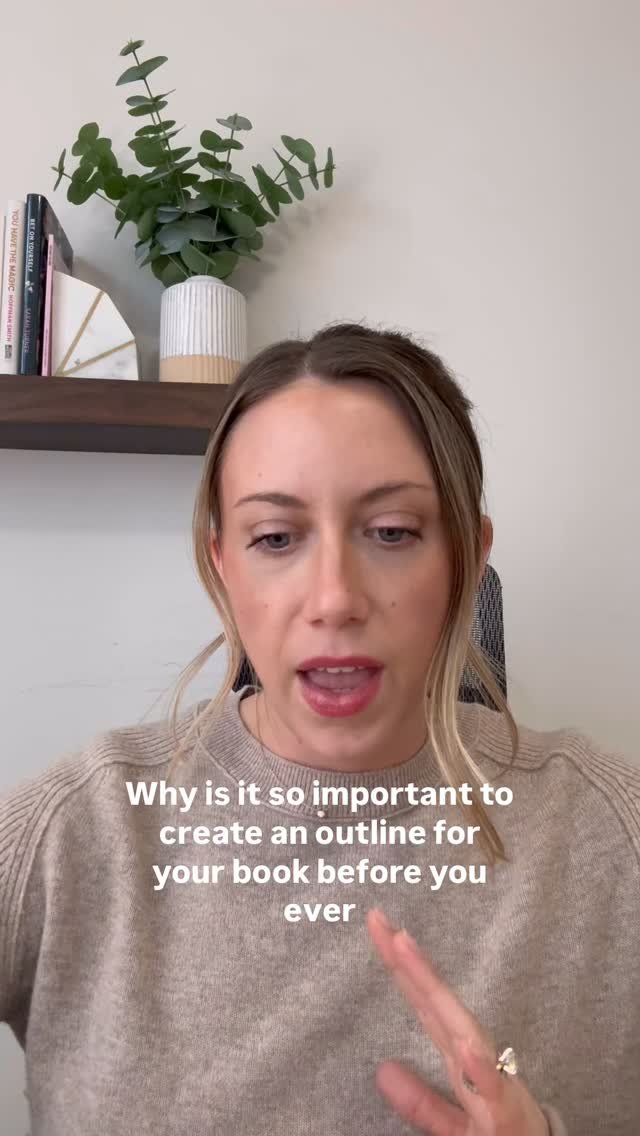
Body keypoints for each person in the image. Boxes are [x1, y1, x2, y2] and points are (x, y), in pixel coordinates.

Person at [0, 321, 638, 1136]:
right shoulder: (73, 834)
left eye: (392, 532)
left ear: (468, 561)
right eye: (275, 538)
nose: (335, 599)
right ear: (223, 564)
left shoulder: (612, 832)